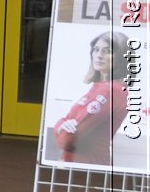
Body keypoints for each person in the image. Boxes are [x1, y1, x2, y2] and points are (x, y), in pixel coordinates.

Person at [51, 30, 133, 167]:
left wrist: (60, 127)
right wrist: (62, 125)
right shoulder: (101, 87)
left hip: (88, 167)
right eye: (96, 50)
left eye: (107, 51)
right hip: (80, 165)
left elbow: (67, 141)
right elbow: (66, 121)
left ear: (121, 57)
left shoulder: (110, 91)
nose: (99, 55)